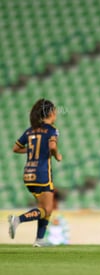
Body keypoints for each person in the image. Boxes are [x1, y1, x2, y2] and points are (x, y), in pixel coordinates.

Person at [8, 98, 62, 247]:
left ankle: (39, 240)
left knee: (44, 208)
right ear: (51, 112)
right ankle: (18, 220)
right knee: (47, 209)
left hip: (28, 173)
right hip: (42, 173)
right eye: (55, 110)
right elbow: (52, 145)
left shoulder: (30, 130)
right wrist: (57, 154)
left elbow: (16, 148)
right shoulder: (52, 130)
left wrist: (31, 150)